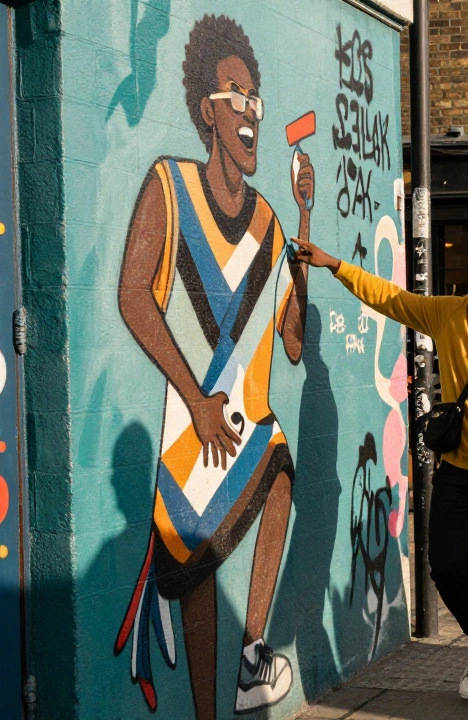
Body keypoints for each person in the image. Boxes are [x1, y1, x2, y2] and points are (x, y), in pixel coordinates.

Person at [116, 16, 312, 716]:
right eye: (237, 94)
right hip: (189, 430)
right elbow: (133, 294)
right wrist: (195, 397)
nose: (252, 109)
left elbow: (293, 341)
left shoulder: (268, 222)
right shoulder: (170, 187)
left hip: (247, 422)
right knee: (196, 575)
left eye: (255, 96)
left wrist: (307, 226)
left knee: (281, 470)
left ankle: (253, 653)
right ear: (207, 110)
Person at [293, 235, 468, 718]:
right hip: (459, 475)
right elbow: (395, 300)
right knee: (445, 567)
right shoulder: (452, 313)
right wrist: (334, 264)